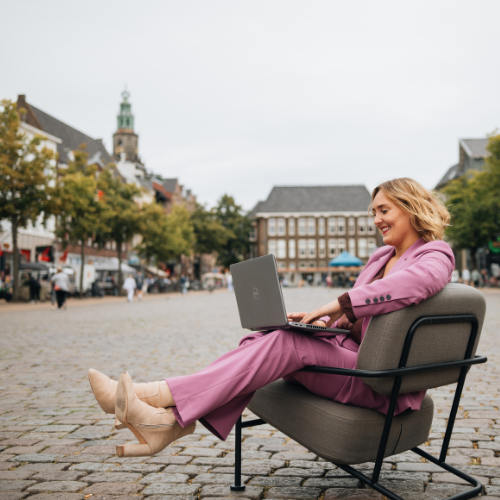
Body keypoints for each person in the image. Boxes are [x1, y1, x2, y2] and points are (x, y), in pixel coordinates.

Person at [88, 177, 454, 458]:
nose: (376, 219)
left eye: (384, 210)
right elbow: (361, 323)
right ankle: (166, 424)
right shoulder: (378, 259)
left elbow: (413, 284)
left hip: (380, 380)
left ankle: (153, 400)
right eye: (374, 212)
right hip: (355, 359)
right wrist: (324, 323)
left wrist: (338, 304)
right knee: (266, 337)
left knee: (283, 343)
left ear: (411, 207)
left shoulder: (435, 255)